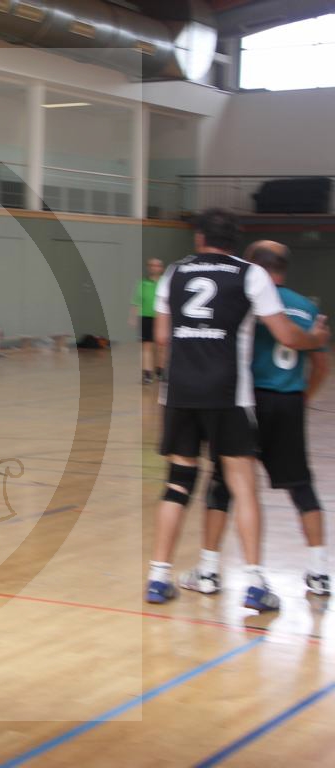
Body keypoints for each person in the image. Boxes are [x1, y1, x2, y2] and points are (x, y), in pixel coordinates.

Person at [146, 209, 329, 612]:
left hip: (180, 392)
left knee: (178, 483)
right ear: (235, 241)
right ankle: (255, 583)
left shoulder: (174, 272)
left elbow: (161, 337)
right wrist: (314, 339)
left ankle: (159, 577)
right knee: (243, 485)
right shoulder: (250, 275)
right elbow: (286, 335)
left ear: (199, 238)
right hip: (229, 393)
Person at [131, 258, 165, 384]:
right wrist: (133, 317)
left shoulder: (166, 282)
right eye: (151, 265)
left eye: (157, 265)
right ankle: (147, 374)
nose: (154, 267)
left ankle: (160, 371)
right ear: (148, 267)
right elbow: (136, 301)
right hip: (146, 317)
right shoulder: (142, 283)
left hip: (162, 317)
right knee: (147, 346)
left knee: (161, 347)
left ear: (161, 268)